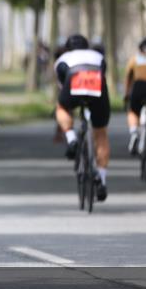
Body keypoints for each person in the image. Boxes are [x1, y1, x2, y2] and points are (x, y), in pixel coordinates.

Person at [54, 34, 110, 201]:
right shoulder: (98, 56)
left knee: (61, 108)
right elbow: (103, 75)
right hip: (96, 84)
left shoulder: (63, 59)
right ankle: (102, 179)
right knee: (100, 133)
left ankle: (71, 138)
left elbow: (62, 85)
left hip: (73, 78)